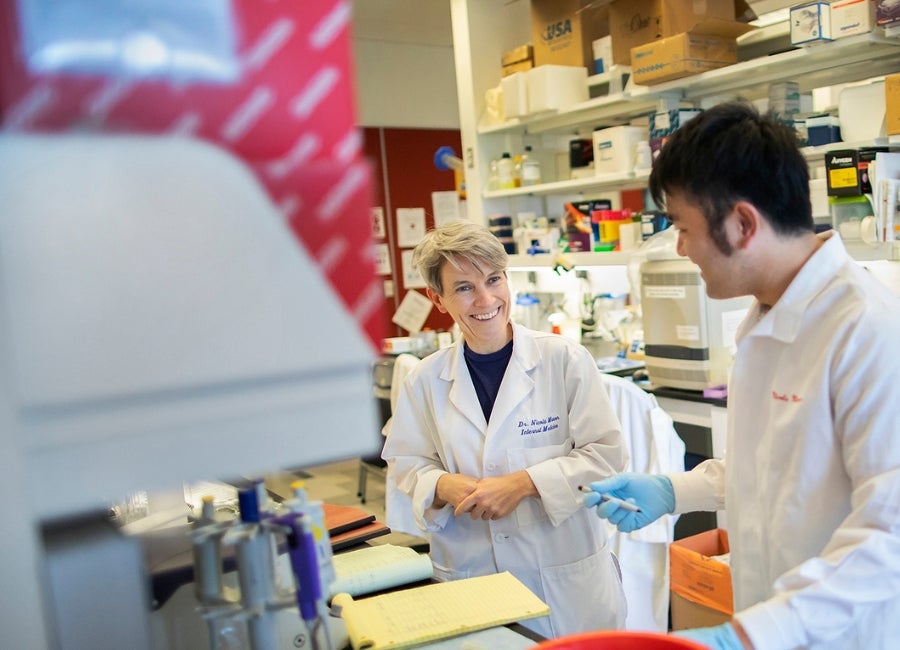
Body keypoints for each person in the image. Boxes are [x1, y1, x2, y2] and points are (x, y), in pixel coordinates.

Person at [583, 101, 900, 650]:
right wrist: (672, 489)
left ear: (743, 223)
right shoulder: (762, 320)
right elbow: (777, 466)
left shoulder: (868, 331)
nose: (680, 248)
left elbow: (888, 537)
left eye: (683, 228)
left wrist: (750, 635)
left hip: (844, 634)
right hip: (771, 623)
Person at [381, 219, 628, 639]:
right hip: (473, 577)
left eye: (494, 279)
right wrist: (443, 485)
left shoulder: (563, 360)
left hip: (565, 580)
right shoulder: (425, 379)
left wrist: (523, 484)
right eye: (464, 287)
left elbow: (605, 457)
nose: (486, 299)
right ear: (437, 299)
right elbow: (406, 464)